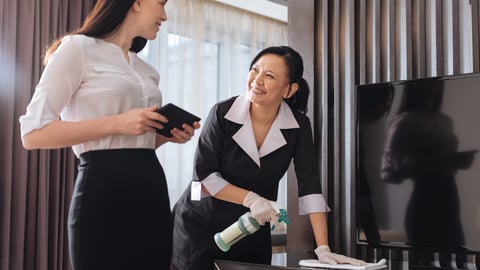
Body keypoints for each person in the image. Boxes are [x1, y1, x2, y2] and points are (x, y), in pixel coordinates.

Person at [19, 0, 200, 269]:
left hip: (150, 188)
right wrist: (117, 123)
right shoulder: (77, 49)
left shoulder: (147, 71)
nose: (164, 15)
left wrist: (164, 136)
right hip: (101, 191)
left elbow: (134, 140)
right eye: (161, 4)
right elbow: (32, 133)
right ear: (136, 3)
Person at [170, 46, 366, 270]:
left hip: (251, 230)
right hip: (200, 227)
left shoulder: (298, 126)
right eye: (255, 70)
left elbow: (310, 186)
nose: (257, 80)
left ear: (289, 90)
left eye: (269, 76)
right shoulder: (222, 113)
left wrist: (323, 249)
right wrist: (252, 199)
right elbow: (204, 178)